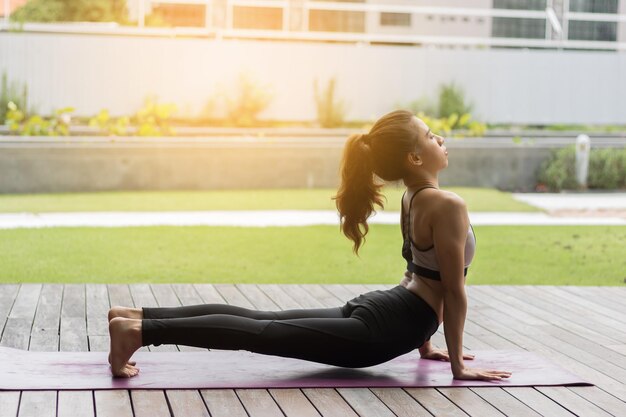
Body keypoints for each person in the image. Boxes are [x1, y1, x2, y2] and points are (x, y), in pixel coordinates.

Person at [107, 109, 512, 381]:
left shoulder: (415, 197)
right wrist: (457, 364)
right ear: (414, 158)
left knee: (261, 321)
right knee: (261, 331)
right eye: (429, 135)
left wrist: (426, 343)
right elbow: (453, 290)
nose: (439, 138)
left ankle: (136, 317)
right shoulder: (447, 204)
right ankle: (139, 330)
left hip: (390, 309)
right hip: (388, 325)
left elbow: (420, 271)